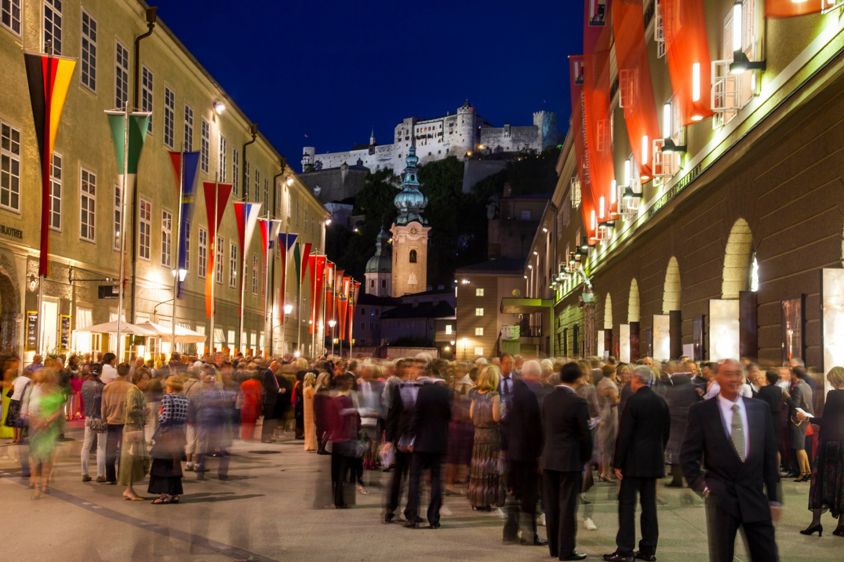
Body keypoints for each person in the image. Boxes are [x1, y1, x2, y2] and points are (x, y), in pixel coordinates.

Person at [680, 359, 781, 562]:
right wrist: (701, 486)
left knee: (767, 554)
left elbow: (770, 457)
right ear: (717, 378)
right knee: (722, 556)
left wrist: (774, 498)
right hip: (721, 499)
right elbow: (688, 455)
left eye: (737, 374)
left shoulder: (760, 409)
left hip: (754, 496)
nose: (733, 379)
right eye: (728, 374)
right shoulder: (702, 411)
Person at [603, 366, 670, 562]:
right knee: (649, 507)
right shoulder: (661, 402)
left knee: (627, 505)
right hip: (653, 461)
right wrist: (658, 452)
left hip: (633, 462)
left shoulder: (633, 402)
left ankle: (625, 549)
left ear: (636, 379)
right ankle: (648, 549)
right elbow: (666, 432)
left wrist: (618, 463)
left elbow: (625, 435)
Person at [541, 362, 592, 561]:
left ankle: (554, 547)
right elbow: (585, 435)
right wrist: (585, 457)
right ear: (578, 378)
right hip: (569, 460)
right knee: (568, 507)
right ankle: (566, 550)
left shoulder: (548, 399)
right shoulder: (578, 402)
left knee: (552, 506)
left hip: (550, 457)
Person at [502, 359, 545, 545]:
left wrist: (505, 447)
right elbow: (534, 427)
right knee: (529, 494)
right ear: (537, 375)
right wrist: (539, 453)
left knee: (513, 491)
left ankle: (509, 533)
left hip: (513, 450)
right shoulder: (532, 394)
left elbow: (506, 422)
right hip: (528, 452)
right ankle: (529, 535)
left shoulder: (514, 391)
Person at [798, 366, 844, 537]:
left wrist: (807, 417)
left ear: (834, 379)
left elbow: (826, 421)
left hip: (830, 443)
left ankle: (816, 522)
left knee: (820, 480)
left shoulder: (833, 395)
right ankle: (841, 525)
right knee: (841, 482)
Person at [405, 374, 452, 529]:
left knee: (415, 479)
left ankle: (412, 516)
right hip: (440, 441)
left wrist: (410, 438)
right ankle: (434, 519)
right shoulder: (446, 392)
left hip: (422, 442)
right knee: (437, 480)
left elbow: (416, 416)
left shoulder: (423, 391)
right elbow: (449, 416)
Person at [384, 358, 424, 522]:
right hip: (401, 438)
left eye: (417, 370)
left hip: (418, 438)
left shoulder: (424, 389)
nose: (414, 373)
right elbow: (392, 415)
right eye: (411, 370)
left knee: (415, 478)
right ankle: (391, 510)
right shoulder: (398, 388)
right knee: (398, 476)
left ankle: (411, 512)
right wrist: (388, 440)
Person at [466, 364, 505, 511]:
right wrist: (503, 409)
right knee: (488, 468)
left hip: (478, 435)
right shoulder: (494, 396)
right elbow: (496, 417)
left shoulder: (475, 394)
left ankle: (476, 499)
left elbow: (471, 414)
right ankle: (485, 500)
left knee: (478, 467)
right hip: (491, 436)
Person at [22, 368, 64, 498]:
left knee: (43, 456)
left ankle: (40, 485)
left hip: (44, 426)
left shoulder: (52, 391)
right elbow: (31, 409)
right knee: (40, 456)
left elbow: (59, 410)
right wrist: (41, 422)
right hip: (40, 425)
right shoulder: (38, 390)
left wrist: (44, 421)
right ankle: (39, 485)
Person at [148, 375, 189, 504]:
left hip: (166, 434)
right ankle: (174, 493)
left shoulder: (168, 398)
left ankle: (164, 494)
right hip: (179, 433)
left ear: (170, 386)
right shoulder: (185, 399)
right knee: (174, 464)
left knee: (162, 464)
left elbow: (164, 418)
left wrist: (159, 415)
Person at [664, 364, 700, 487]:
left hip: (676, 424)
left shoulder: (673, 391)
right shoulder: (692, 389)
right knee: (687, 452)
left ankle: (677, 479)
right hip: (689, 423)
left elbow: (668, 405)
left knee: (676, 452)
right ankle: (688, 478)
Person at [101, 362, 133, 484]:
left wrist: (104, 418)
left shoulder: (108, 387)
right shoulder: (131, 387)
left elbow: (103, 406)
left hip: (111, 420)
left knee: (110, 449)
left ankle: (110, 477)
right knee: (124, 450)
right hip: (125, 421)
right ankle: (122, 475)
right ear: (128, 372)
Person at [119, 370, 148, 501]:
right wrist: (143, 412)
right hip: (132, 428)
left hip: (136, 427)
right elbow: (131, 409)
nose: (146, 382)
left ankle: (130, 488)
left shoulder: (138, 391)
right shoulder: (133, 391)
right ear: (138, 379)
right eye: (144, 379)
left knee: (135, 459)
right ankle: (129, 489)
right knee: (131, 459)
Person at [80, 366, 106, 482]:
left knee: (86, 445)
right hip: (100, 418)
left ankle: (84, 472)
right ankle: (100, 474)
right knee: (101, 447)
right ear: (100, 373)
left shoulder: (85, 384)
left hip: (88, 417)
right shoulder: (102, 386)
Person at [789, 366, 814, 481]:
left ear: (795, 374)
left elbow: (796, 405)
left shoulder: (798, 387)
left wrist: (787, 398)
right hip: (806, 418)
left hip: (799, 420)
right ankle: (807, 471)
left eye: (791, 373)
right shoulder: (807, 386)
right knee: (801, 447)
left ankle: (803, 473)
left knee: (799, 447)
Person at [596, 364, 619, 482]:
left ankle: (602, 471)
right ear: (612, 373)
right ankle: (606, 473)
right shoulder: (610, 385)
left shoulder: (601, 383)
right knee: (608, 445)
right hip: (610, 415)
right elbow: (614, 401)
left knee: (603, 444)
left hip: (602, 414)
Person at [239, 370, 264, 441]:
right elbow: (259, 394)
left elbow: (240, 393)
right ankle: (250, 436)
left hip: (245, 403)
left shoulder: (243, 383)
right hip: (254, 403)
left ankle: (245, 436)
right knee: (252, 421)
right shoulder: (258, 383)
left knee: (245, 421)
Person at [302, 372, 317, 452]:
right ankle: (311, 445)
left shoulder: (304, 388)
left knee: (307, 428)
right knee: (311, 427)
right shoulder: (310, 389)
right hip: (311, 409)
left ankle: (308, 444)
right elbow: (314, 399)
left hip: (306, 410)